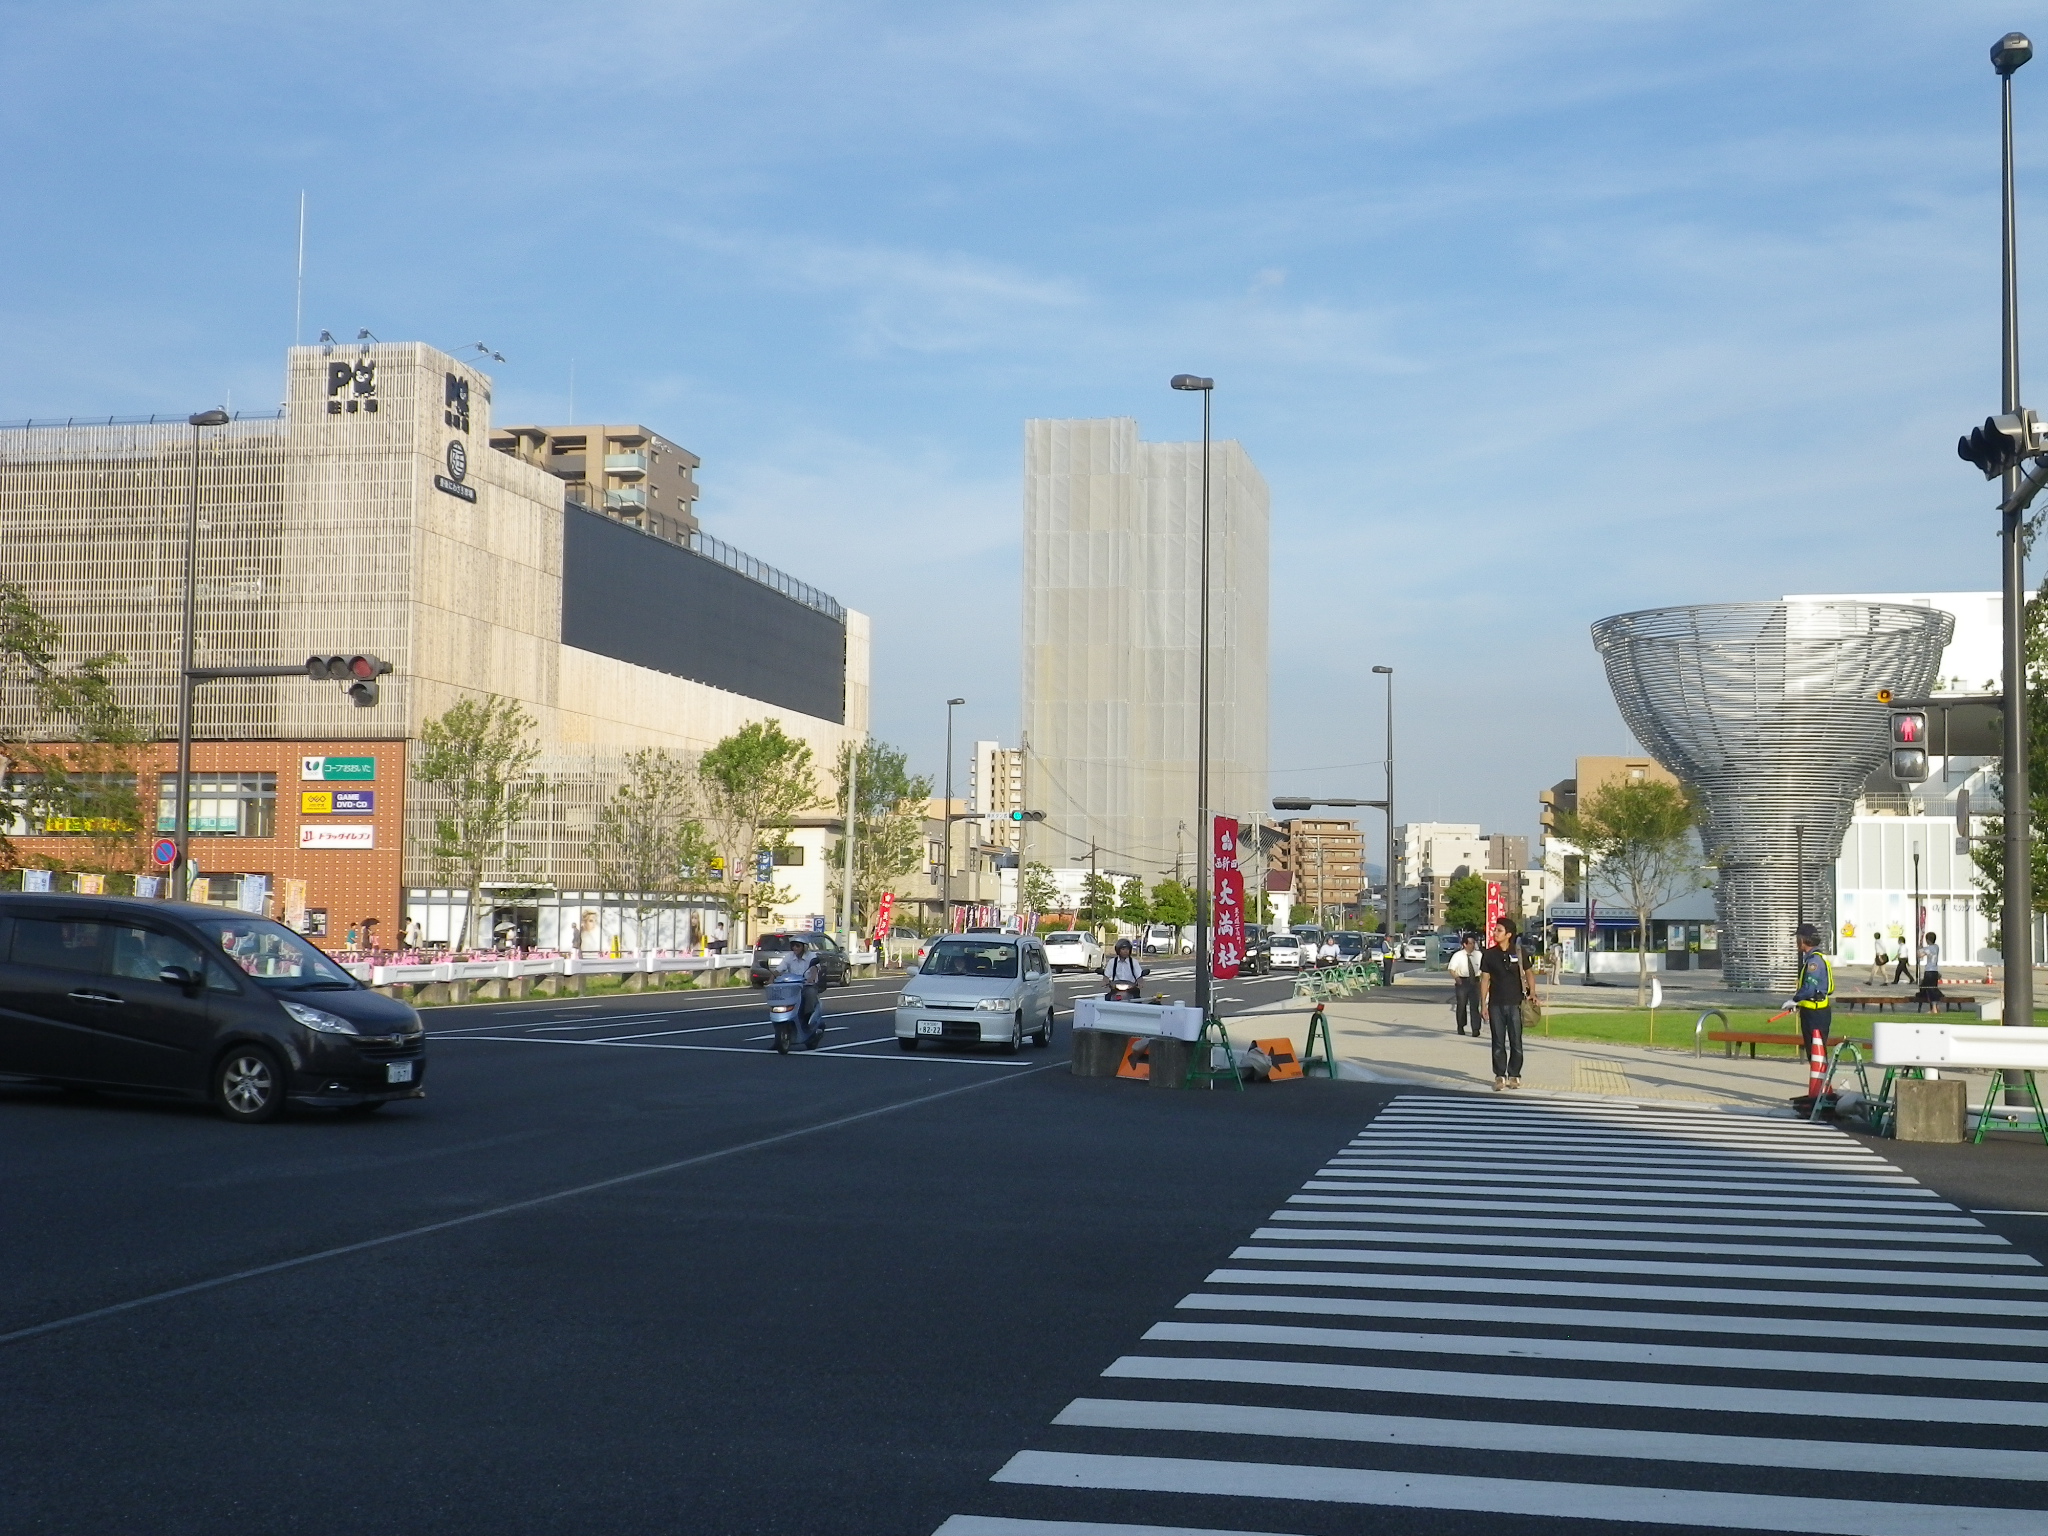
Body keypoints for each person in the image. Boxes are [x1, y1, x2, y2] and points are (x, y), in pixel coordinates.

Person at [1478, 917, 1533, 1091]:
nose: (1495, 933)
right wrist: (1483, 1004)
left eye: (1499, 930)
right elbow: (1485, 979)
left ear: (1508, 934)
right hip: (1496, 1003)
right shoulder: (1489, 954)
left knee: (1516, 1041)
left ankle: (1515, 1074)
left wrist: (1533, 993)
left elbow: (1529, 973)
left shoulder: (1519, 951)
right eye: (1495, 930)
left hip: (1516, 1002)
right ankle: (1500, 1075)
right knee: (1498, 1041)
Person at [1786, 922, 1834, 1067]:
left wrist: (1794, 1000)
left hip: (1815, 1013)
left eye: (1798, 937)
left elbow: (1809, 988)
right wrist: (1799, 1004)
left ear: (1804, 939)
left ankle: (1820, 1086)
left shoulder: (1814, 961)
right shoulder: (1815, 958)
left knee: (1815, 1051)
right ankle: (1820, 1085)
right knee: (1815, 1052)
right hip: (1813, 1010)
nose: (1796, 941)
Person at [1447, 932, 1484, 1037]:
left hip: (1475, 981)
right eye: (1470, 943)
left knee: (1475, 1006)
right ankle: (1461, 1026)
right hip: (1462, 982)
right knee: (1462, 1005)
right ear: (1465, 944)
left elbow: (1483, 969)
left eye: (1474, 943)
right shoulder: (1458, 955)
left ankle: (1476, 1028)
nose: (1472, 945)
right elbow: (1451, 969)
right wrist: (1457, 978)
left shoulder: (1478, 955)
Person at [1914, 929, 1944, 1010]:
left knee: (1928, 988)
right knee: (1932, 988)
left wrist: (1919, 949)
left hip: (1929, 971)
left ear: (1927, 940)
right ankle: (1936, 1007)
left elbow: (1920, 955)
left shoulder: (1929, 948)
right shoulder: (1936, 947)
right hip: (1935, 970)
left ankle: (1934, 1008)